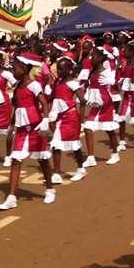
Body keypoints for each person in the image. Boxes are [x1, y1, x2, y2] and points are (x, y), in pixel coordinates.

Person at [0, 53, 56, 210]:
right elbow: (15, 106)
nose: (13, 71)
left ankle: (50, 189)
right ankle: (11, 197)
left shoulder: (34, 85)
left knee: (42, 160)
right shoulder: (17, 86)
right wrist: (11, 125)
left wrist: (45, 120)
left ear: (24, 69)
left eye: (15, 68)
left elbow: (43, 103)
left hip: (36, 127)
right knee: (16, 160)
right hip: (22, 129)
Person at [48, 53, 86, 183]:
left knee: (74, 145)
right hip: (59, 117)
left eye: (61, 69)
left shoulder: (73, 83)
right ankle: (57, 173)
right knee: (56, 144)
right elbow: (52, 96)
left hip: (70, 117)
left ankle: (81, 168)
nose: (58, 71)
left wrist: (81, 119)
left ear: (69, 70)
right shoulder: (57, 82)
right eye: (58, 68)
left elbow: (82, 100)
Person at [82, 46, 120, 167]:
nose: (91, 58)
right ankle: (91, 157)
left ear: (101, 58)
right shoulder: (92, 70)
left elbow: (115, 83)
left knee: (109, 130)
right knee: (88, 128)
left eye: (94, 56)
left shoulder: (107, 71)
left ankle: (115, 153)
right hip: (96, 104)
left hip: (105, 103)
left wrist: (112, 81)